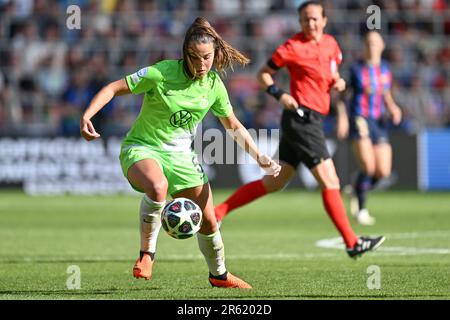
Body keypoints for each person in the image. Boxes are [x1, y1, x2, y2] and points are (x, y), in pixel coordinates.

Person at [80, 17, 281, 289]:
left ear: (215, 54)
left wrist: (259, 156)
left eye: (207, 58)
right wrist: (88, 116)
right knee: (158, 186)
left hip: (182, 158)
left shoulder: (213, 86)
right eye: (194, 58)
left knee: (210, 221)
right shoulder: (160, 73)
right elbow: (113, 88)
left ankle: (219, 276)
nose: (201, 65)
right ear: (185, 54)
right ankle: (147, 255)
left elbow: (233, 125)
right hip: (142, 148)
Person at [214, 1, 385, 258]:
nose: (310, 23)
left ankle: (217, 213)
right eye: (305, 19)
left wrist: (337, 83)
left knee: (276, 180)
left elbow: (332, 77)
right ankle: (352, 243)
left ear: (324, 20)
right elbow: (263, 75)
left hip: (314, 118)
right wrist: (279, 94)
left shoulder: (332, 46)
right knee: (330, 180)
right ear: (300, 22)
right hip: (300, 118)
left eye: (315, 18)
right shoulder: (292, 47)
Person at [338, 31, 402, 225]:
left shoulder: (385, 69)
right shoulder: (355, 69)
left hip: (379, 121)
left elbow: (386, 93)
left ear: (382, 45)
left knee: (383, 171)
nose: (371, 46)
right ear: (363, 46)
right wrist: (342, 117)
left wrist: (393, 107)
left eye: (375, 43)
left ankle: (356, 188)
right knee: (368, 166)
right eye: (368, 43)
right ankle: (362, 210)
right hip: (360, 119)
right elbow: (342, 95)